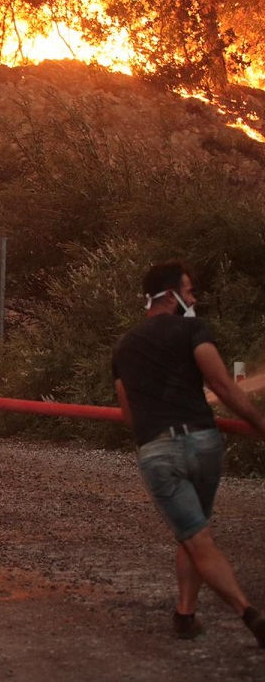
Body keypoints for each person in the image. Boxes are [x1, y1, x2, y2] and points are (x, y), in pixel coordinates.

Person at [112, 260, 265, 645]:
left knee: (195, 536)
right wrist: (261, 426)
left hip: (159, 451)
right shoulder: (193, 329)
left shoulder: (124, 346)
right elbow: (223, 386)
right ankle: (187, 614)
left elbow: (128, 413)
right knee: (196, 531)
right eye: (190, 291)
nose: (193, 298)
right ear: (170, 295)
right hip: (202, 443)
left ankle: (249, 615)